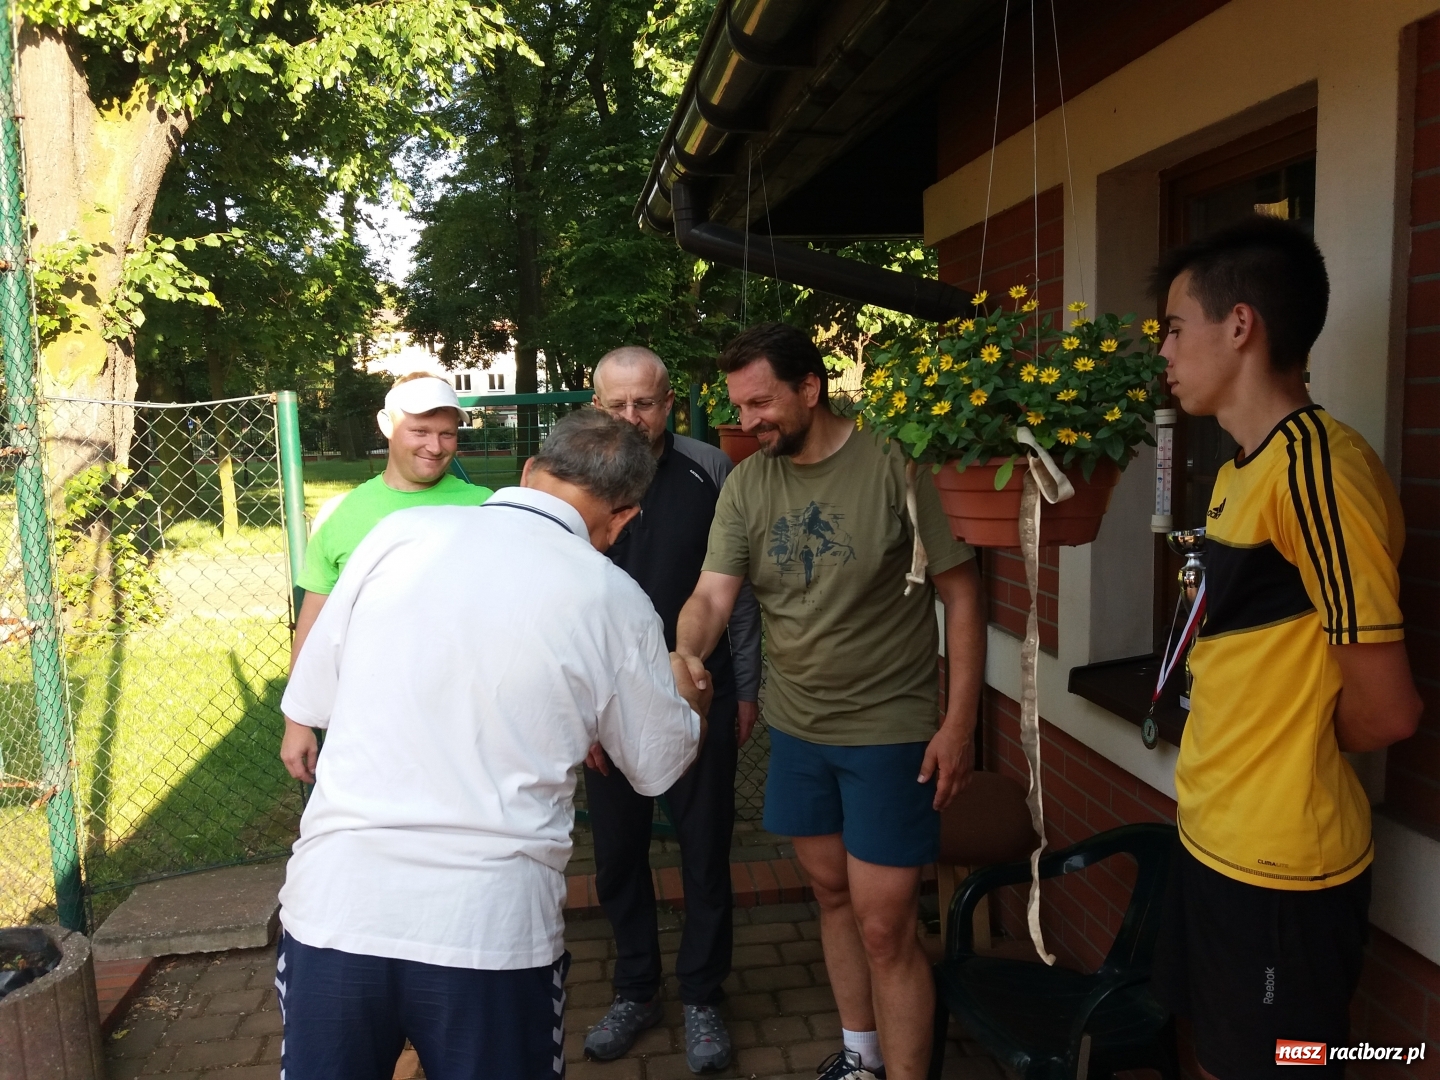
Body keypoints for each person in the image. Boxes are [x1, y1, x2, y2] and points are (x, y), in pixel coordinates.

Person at [275, 409, 712, 1080]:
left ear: (530, 472)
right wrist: (694, 701)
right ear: (623, 519)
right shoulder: (614, 598)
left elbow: (314, 696)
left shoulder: (399, 534)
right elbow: (656, 765)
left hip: (336, 908)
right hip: (487, 932)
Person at [673, 323, 987, 1080]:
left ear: (810, 388)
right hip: (799, 728)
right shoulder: (749, 483)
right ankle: (861, 1058)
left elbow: (963, 594)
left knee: (887, 929)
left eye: (760, 403)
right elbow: (712, 596)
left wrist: (959, 722)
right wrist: (685, 649)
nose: (746, 422)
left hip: (889, 731)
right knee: (831, 897)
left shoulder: (894, 464)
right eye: (738, 408)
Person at [1150, 216, 1422, 1080]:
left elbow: (1387, 711)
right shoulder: (1240, 470)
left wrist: (1286, 742)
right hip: (1215, 841)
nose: (1163, 350)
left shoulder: (1319, 472)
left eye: (1172, 326)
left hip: (1282, 872)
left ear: (1240, 325)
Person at [582, 347, 761, 1073]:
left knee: (705, 850)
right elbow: (562, 605)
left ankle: (702, 996)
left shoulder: (709, 470)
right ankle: (634, 989)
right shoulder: (581, 479)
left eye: (646, 403)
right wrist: (580, 714)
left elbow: (735, 592)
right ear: (597, 405)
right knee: (619, 855)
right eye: (617, 405)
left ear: (668, 400)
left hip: (701, 692)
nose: (632, 417)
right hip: (608, 705)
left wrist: (746, 689)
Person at [280, 371, 492, 783]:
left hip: (466, 723)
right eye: (420, 430)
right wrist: (297, 719)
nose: (435, 446)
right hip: (367, 723)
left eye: (447, 434)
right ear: (386, 425)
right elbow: (312, 623)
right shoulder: (343, 515)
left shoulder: (487, 510)